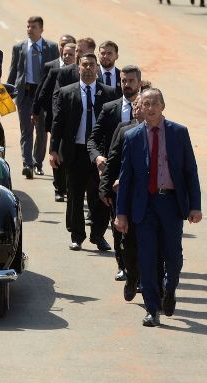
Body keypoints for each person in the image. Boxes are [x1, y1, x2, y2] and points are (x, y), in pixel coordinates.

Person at [115, 88, 202, 327]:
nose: (150, 108)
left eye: (154, 103)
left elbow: (190, 172)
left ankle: (170, 288)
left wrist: (195, 206)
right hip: (144, 206)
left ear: (163, 106)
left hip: (171, 203)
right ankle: (152, 308)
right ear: (139, 108)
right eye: (145, 104)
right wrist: (121, 213)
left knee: (173, 256)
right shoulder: (131, 137)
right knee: (146, 258)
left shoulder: (178, 133)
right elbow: (126, 177)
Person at [50, 53, 118, 252]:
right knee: (75, 195)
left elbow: (114, 125)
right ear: (78, 68)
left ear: (97, 68)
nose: (88, 69)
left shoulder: (109, 93)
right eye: (84, 65)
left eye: (91, 65)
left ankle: (98, 235)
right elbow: (58, 123)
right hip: (75, 152)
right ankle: (76, 236)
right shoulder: (66, 92)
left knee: (101, 196)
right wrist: (53, 150)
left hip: (100, 154)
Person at [88, 65, 142, 280]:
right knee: (118, 226)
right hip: (115, 179)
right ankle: (123, 266)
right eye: (123, 81)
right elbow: (93, 139)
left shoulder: (147, 107)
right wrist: (98, 157)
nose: (126, 85)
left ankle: (140, 270)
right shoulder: (110, 108)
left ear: (138, 82)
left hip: (140, 182)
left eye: (130, 81)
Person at [100, 93, 144, 301]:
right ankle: (132, 275)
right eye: (135, 105)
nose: (138, 108)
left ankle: (149, 284)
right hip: (127, 196)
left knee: (154, 244)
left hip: (154, 200)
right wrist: (106, 188)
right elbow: (113, 159)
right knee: (129, 243)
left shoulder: (167, 132)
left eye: (141, 105)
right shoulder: (125, 130)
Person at [7, 16, 59, 179]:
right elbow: (13, 71)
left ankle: (38, 163)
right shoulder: (19, 47)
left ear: (41, 29)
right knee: (26, 130)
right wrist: (8, 91)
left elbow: (56, 71)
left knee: (42, 132)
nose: (30, 29)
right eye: (28, 26)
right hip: (26, 93)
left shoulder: (51, 47)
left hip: (44, 95)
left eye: (34, 27)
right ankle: (27, 164)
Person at [33, 37, 76, 202]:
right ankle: (59, 188)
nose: (67, 57)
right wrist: (48, 111)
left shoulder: (81, 73)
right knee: (57, 152)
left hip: (75, 122)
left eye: (70, 55)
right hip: (57, 120)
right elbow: (42, 93)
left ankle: (69, 185)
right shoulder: (55, 71)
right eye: (64, 54)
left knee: (71, 154)